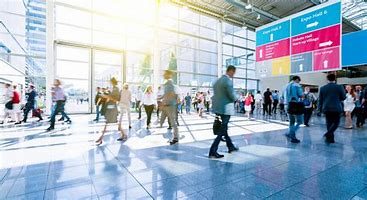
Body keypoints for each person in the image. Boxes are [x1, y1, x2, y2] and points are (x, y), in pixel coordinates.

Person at [208, 65, 238, 159]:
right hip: (225, 109)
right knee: (222, 130)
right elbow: (232, 95)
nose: (234, 74)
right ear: (231, 71)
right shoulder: (228, 81)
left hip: (218, 108)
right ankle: (213, 151)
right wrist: (236, 98)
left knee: (223, 128)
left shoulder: (217, 81)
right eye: (233, 72)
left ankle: (230, 146)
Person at [95, 77, 126, 145]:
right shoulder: (114, 88)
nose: (109, 82)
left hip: (112, 108)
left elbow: (113, 98)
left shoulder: (115, 89)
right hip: (111, 108)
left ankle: (101, 138)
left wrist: (104, 96)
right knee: (113, 123)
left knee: (107, 123)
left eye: (110, 81)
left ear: (112, 82)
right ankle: (123, 135)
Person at [318, 73, 346, 143]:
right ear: (335, 79)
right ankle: (328, 134)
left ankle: (330, 139)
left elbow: (320, 100)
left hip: (326, 108)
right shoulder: (339, 87)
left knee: (329, 123)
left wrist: (319, 109)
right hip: (336, 107)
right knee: (336, 122)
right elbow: (343, 97)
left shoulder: (322, 88)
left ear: (327, 79)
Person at [160, 70, 179, 145]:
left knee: (173, 122)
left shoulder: (170, 84)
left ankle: (176, 138)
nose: (163, 75)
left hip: (170, 105)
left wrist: (164, 102)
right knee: (170, 121)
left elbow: (171, 94)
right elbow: (167, 94)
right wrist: (161, 98)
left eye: (165, 74)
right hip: (168, 105)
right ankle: (175, 137)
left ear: (168, 75)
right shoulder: (167, 84)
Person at [284, 76, 304, 143]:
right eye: (299, 80)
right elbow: (301, 95)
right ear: (297, 79)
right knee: (300, 121)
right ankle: (291, 134)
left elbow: (282, 96)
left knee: (291, 122)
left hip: (287, 105)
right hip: (296, 105)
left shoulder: (286, 86)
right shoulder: (297, 85)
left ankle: (291, 135)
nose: (299, 82)